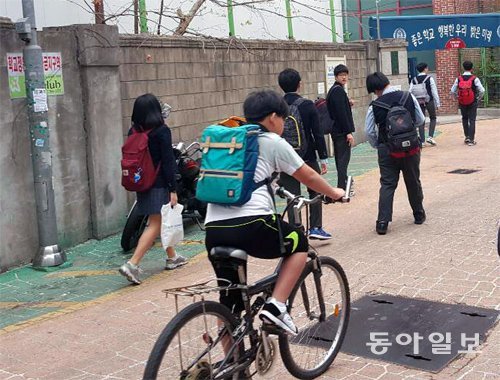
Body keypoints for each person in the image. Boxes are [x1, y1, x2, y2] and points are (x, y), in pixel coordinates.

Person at [204, 90, 345, 335]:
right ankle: (277, 306)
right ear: (272, 118)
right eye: (282, 119)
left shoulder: (233, 141)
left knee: (231, 303)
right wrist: (334, 193)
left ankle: (229, 365)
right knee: (298, 241)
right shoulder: (271, 141)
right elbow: (308, 175)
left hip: (214, 229)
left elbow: (258, 177)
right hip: (251, 225)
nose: (283, 125)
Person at [119, 94, 187, 285]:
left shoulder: (133, 130)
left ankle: (172, 257)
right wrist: (173, 189)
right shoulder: (161, 131)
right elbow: (167, 161)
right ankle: (132, 264)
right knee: (155, 223)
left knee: (160, 219)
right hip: (158, 184)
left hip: (141, 182)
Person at [364, 72, 426, 235]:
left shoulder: (374, 105)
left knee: (387, 184)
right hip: (411, 148)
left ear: (375, 89)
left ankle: (383, 222)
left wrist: (379, 145)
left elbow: (369, 131)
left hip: (387, 150)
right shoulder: (408, 96)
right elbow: (420, 120)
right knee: (413, 180)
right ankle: (418, 214)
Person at [277, 68, 332, 240]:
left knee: (292, 196)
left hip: (285, 158)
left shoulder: (277, 106)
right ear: (299, 84)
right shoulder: (307, 105)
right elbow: (317, 132)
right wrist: (323, 157)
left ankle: (295, 231)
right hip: (306, 157)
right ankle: (315, 227)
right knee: (315, 191)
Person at [326, 64, 355, 190]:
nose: (344, 77)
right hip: (340, 131)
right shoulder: (338, 91)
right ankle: (342, 186)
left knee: (340, 158)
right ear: (336, 77)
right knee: (343, 159)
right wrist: (348, 132)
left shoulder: (335, 89)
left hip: (337, 130)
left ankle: (343, 183)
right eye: (341, 75)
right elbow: (341, 113)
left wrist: (347, 103)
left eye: (345, 74)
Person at [450, 60, 485, 146]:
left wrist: (457, 97)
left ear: (463, 68)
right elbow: (482, 90)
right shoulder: (474, 78)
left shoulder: (459, 78)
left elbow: (452, 90)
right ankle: (472, 140)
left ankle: (467, 137)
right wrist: (478, 98)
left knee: (464, 119)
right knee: (472, 120)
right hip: (472, 101)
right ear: (472, 68)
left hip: (462, 102)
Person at [409, 62, 441, 146]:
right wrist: (438, 104)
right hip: (428, 100)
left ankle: (422, 141)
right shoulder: (429, 78)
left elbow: (410, 92)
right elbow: (434, 91)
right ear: (425, 69)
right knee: (433, 118)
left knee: (421, 120)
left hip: (418, 101)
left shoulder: (413, 79)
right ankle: (430, 137)